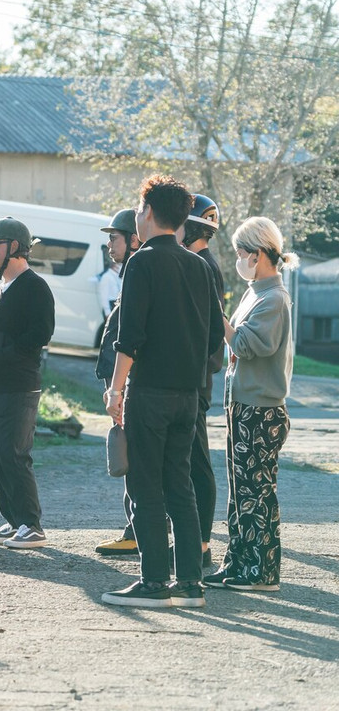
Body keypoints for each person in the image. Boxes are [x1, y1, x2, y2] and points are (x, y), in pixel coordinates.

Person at [101, 175, 224, 609]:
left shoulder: (143, 262)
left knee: (145, 487)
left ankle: (155, 582)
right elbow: (214, 337)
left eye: (138, 208)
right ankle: (191, 584)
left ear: (149, 212)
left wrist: (116, 390)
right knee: (180, 488)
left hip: (149, 393)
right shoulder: (198, 264)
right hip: (188, 396)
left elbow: (128, 335)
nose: (136, 214)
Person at [205, 216, 297, 591]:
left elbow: (246, 344)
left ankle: (261, 572)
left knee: (255, 494)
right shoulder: (255, 291)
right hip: (243, 405)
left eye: (242, 252)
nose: (238, 259)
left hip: (260, 410)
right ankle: (240, 564)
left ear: (258, 254)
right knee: (241, 492)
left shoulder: (273, 298)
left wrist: (219, 317)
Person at [0, 217, 55, 549]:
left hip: (18, 386)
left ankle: (31, 525)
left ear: (14, 247)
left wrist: (3, 355)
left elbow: (40, 333)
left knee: (14, 454)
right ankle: (13, 520)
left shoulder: (34, 287)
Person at [176, 193, 226, 568]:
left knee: (196, 462)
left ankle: (203, 546)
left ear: (192, 226)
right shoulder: (199, 262)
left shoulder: (202, 266)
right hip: (193, 377)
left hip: (194, 380)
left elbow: (210, 333)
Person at [93, 208, 142, 556]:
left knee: (134, 460)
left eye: (115, 237)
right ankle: (135, 527)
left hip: (130, 388)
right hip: (121, 383)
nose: (110, 243)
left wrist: (118, 387)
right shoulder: (128, 274)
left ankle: (137, 531)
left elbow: (131, 339)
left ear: (134, 240)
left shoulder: (139, 275)